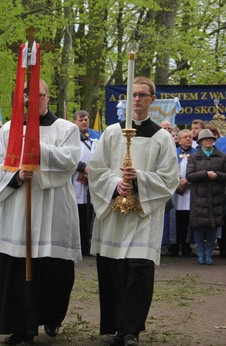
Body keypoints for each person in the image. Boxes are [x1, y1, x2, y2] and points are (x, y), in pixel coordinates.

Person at [0, 79, 82, 345]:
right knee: (18, 266)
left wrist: (36, 150)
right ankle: (21, 328)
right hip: (19, 207)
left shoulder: (67, 128)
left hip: (53, 206)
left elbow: (70, 160)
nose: (31, 99)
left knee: (55, 269)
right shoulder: (9, 129)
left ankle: (51, 317)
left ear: (47, 97)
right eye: (26, 95)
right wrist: (17, 175)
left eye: (38, 94)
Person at [88, 76, 179, 346]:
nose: (137, 99)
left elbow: (169, 178)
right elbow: (96, 169)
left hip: (144, 215)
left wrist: (138, 179)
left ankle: (131, 331)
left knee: (139, 270)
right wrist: (116, 184)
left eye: (142, 95)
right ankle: (117, 326)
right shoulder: (111, 132)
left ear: (153, 99)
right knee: (116, 270)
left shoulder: (162, 137)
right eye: (133, 95)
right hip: (115, 213)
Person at [186, 129, 226, 265]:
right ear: (201, 142)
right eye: (206, 139)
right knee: (198, 226)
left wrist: (217, 175)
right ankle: (200, 253)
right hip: (199, 198)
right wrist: (205, 174)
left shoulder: (222, 157)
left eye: (211, 139)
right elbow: (189, 176)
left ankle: (208, 254)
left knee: (212, 226)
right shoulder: (193, 157)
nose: (209, 141)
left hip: (216, 197)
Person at [72, 110, 100, 256]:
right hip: (75, 181)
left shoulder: (95, 139)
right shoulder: (71, 139)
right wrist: (83, 167)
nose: (84, 122)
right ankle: (78, 244)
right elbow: (68, 158)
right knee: (78, 214)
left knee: (90, 214)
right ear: (75, 122)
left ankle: (87, 244)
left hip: (92, 181)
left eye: (86, 119)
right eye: (81, 120)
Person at [167, 129, 196, 257]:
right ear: (178, 140)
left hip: (190, 192)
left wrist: (188, 180)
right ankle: (173, 245)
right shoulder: (172, 153)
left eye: (190, 137)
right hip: (176, 192)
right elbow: (167, 170)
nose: (188, 139)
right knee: (175, 219)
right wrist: (177, 182)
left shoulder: (197, 154)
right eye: (185, 137)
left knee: (187, 219)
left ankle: (186, 245)